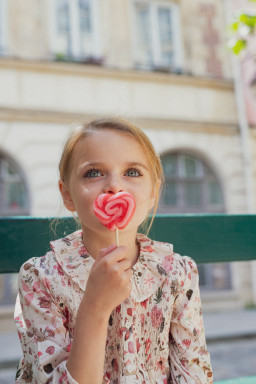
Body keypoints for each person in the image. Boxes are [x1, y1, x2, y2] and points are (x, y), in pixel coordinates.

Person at [14, 117, 213, 384]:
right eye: (94, 172)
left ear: (153, 192)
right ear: (67, 195)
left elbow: (194, 374)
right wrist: (95, 307)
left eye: (132, 172)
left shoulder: (178, 273)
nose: (115, 187)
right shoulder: (39, 278)